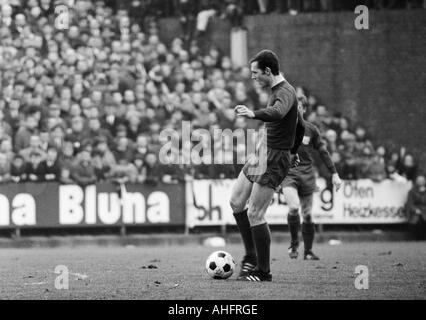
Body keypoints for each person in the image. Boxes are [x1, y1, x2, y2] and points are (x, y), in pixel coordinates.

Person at [229, 50, 304, 282]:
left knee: (255, 212)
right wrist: (294, 150)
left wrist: (254, 113)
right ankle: (251, 257)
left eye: (255, 73)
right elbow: (300, 125)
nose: (253, 77)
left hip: (273, 157)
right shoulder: (278, 91)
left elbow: (279, 112)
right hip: (263, 152)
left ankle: (263, 271)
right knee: (236, 201)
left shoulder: (285, 92)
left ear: (268, 71)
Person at [282, 94, 342, 260]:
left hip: (307, 174)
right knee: (294, 207)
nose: (295, 111)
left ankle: (308, 251)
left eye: (299, 108)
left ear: (305, 109)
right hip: (289, 173)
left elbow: (323, 151)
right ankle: (294, 243)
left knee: (307, 214)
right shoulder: (282, 127)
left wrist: (335, 174)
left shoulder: (311, 129)